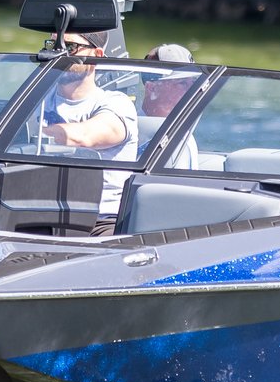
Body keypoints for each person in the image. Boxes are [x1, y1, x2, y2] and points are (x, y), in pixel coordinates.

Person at [40, 33, 138, 233]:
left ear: (97, 55)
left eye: (71, 47)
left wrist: (25, 134)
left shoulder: (116, 103)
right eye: (53, 45)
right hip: (39, 208)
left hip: (102, 219)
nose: (59, 54)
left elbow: (84, 137)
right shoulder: (36, 98)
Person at [140, 43, 199, 170]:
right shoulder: (135, 133)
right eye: (182, 83)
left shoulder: (181, 127)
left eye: (193, 82)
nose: (192, 90)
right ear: (152, 88)